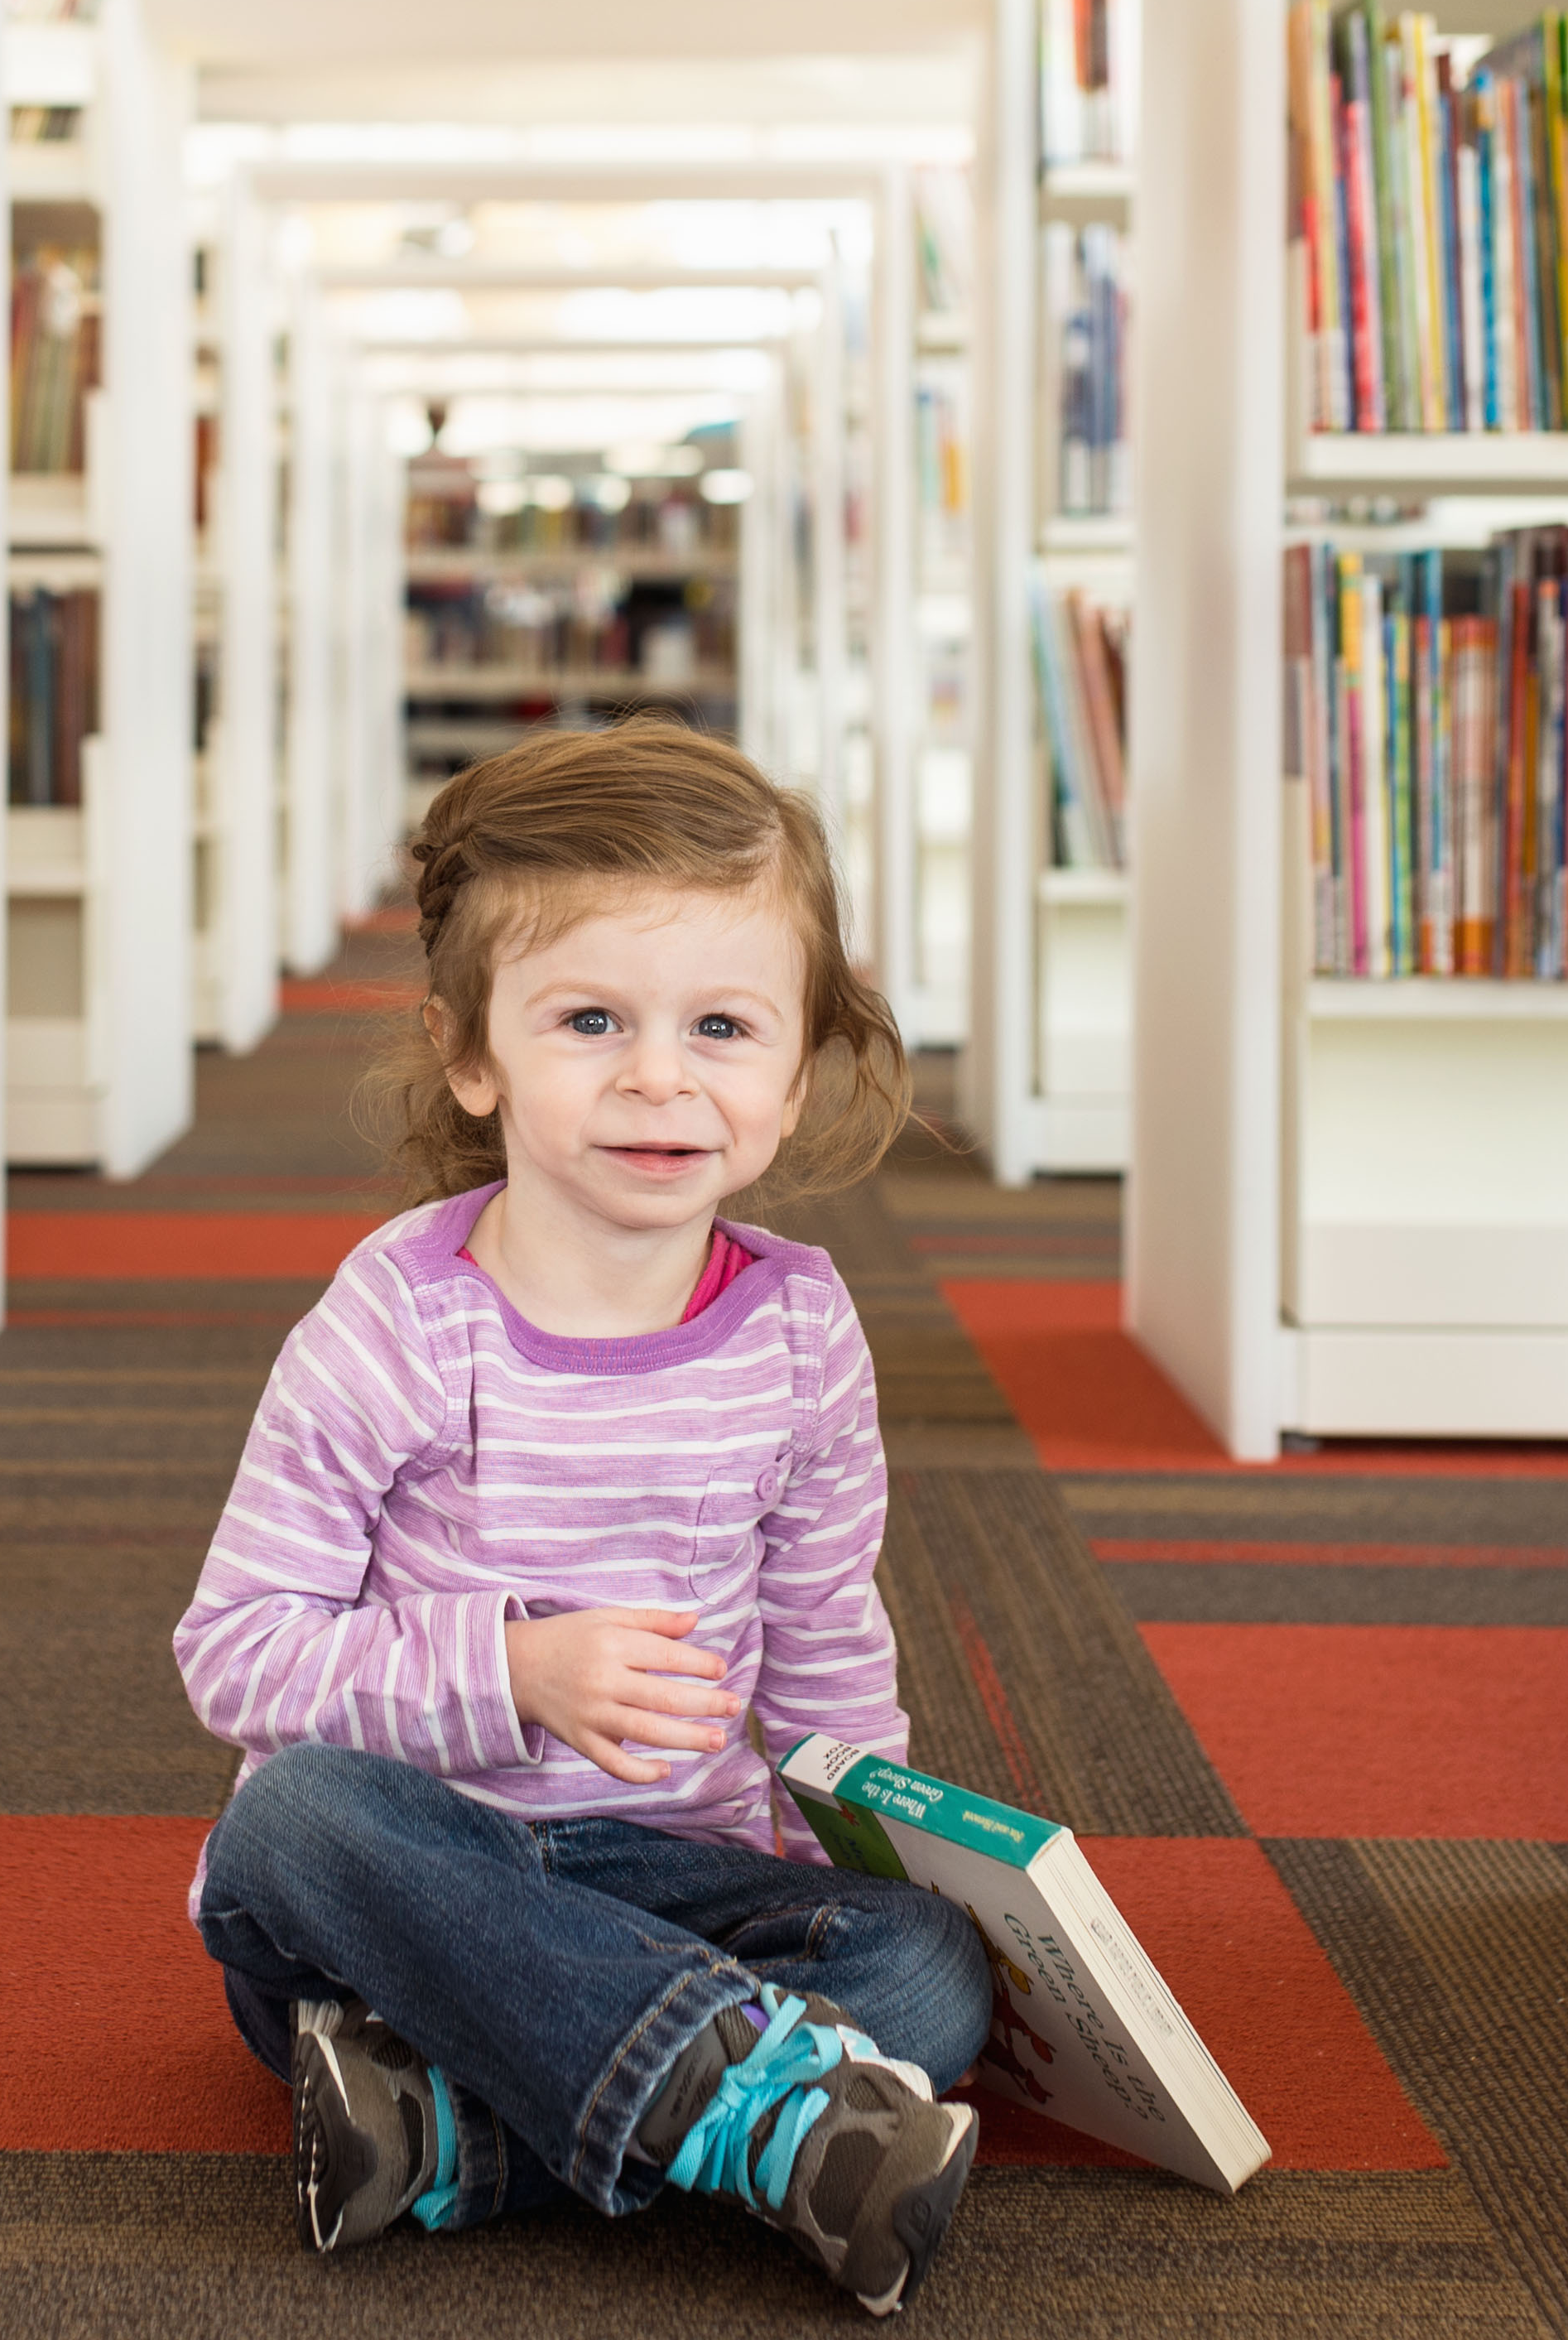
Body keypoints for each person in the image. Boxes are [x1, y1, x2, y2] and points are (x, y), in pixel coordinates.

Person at [175, 717, 993, 2318]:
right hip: (411, 1887)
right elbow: (238, 1654)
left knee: (929, 1968)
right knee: (284, 1826)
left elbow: (829, 1640)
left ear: (798, 1057)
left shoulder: (802, 1331)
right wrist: (517, 1676)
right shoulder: (396, 1319)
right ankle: (758, 2107)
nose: (659, 1075)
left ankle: (454, 2140)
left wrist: (895, 1844)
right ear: (471, 1054)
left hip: (664, 1878)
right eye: (590, 1020)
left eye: (724, 1026)